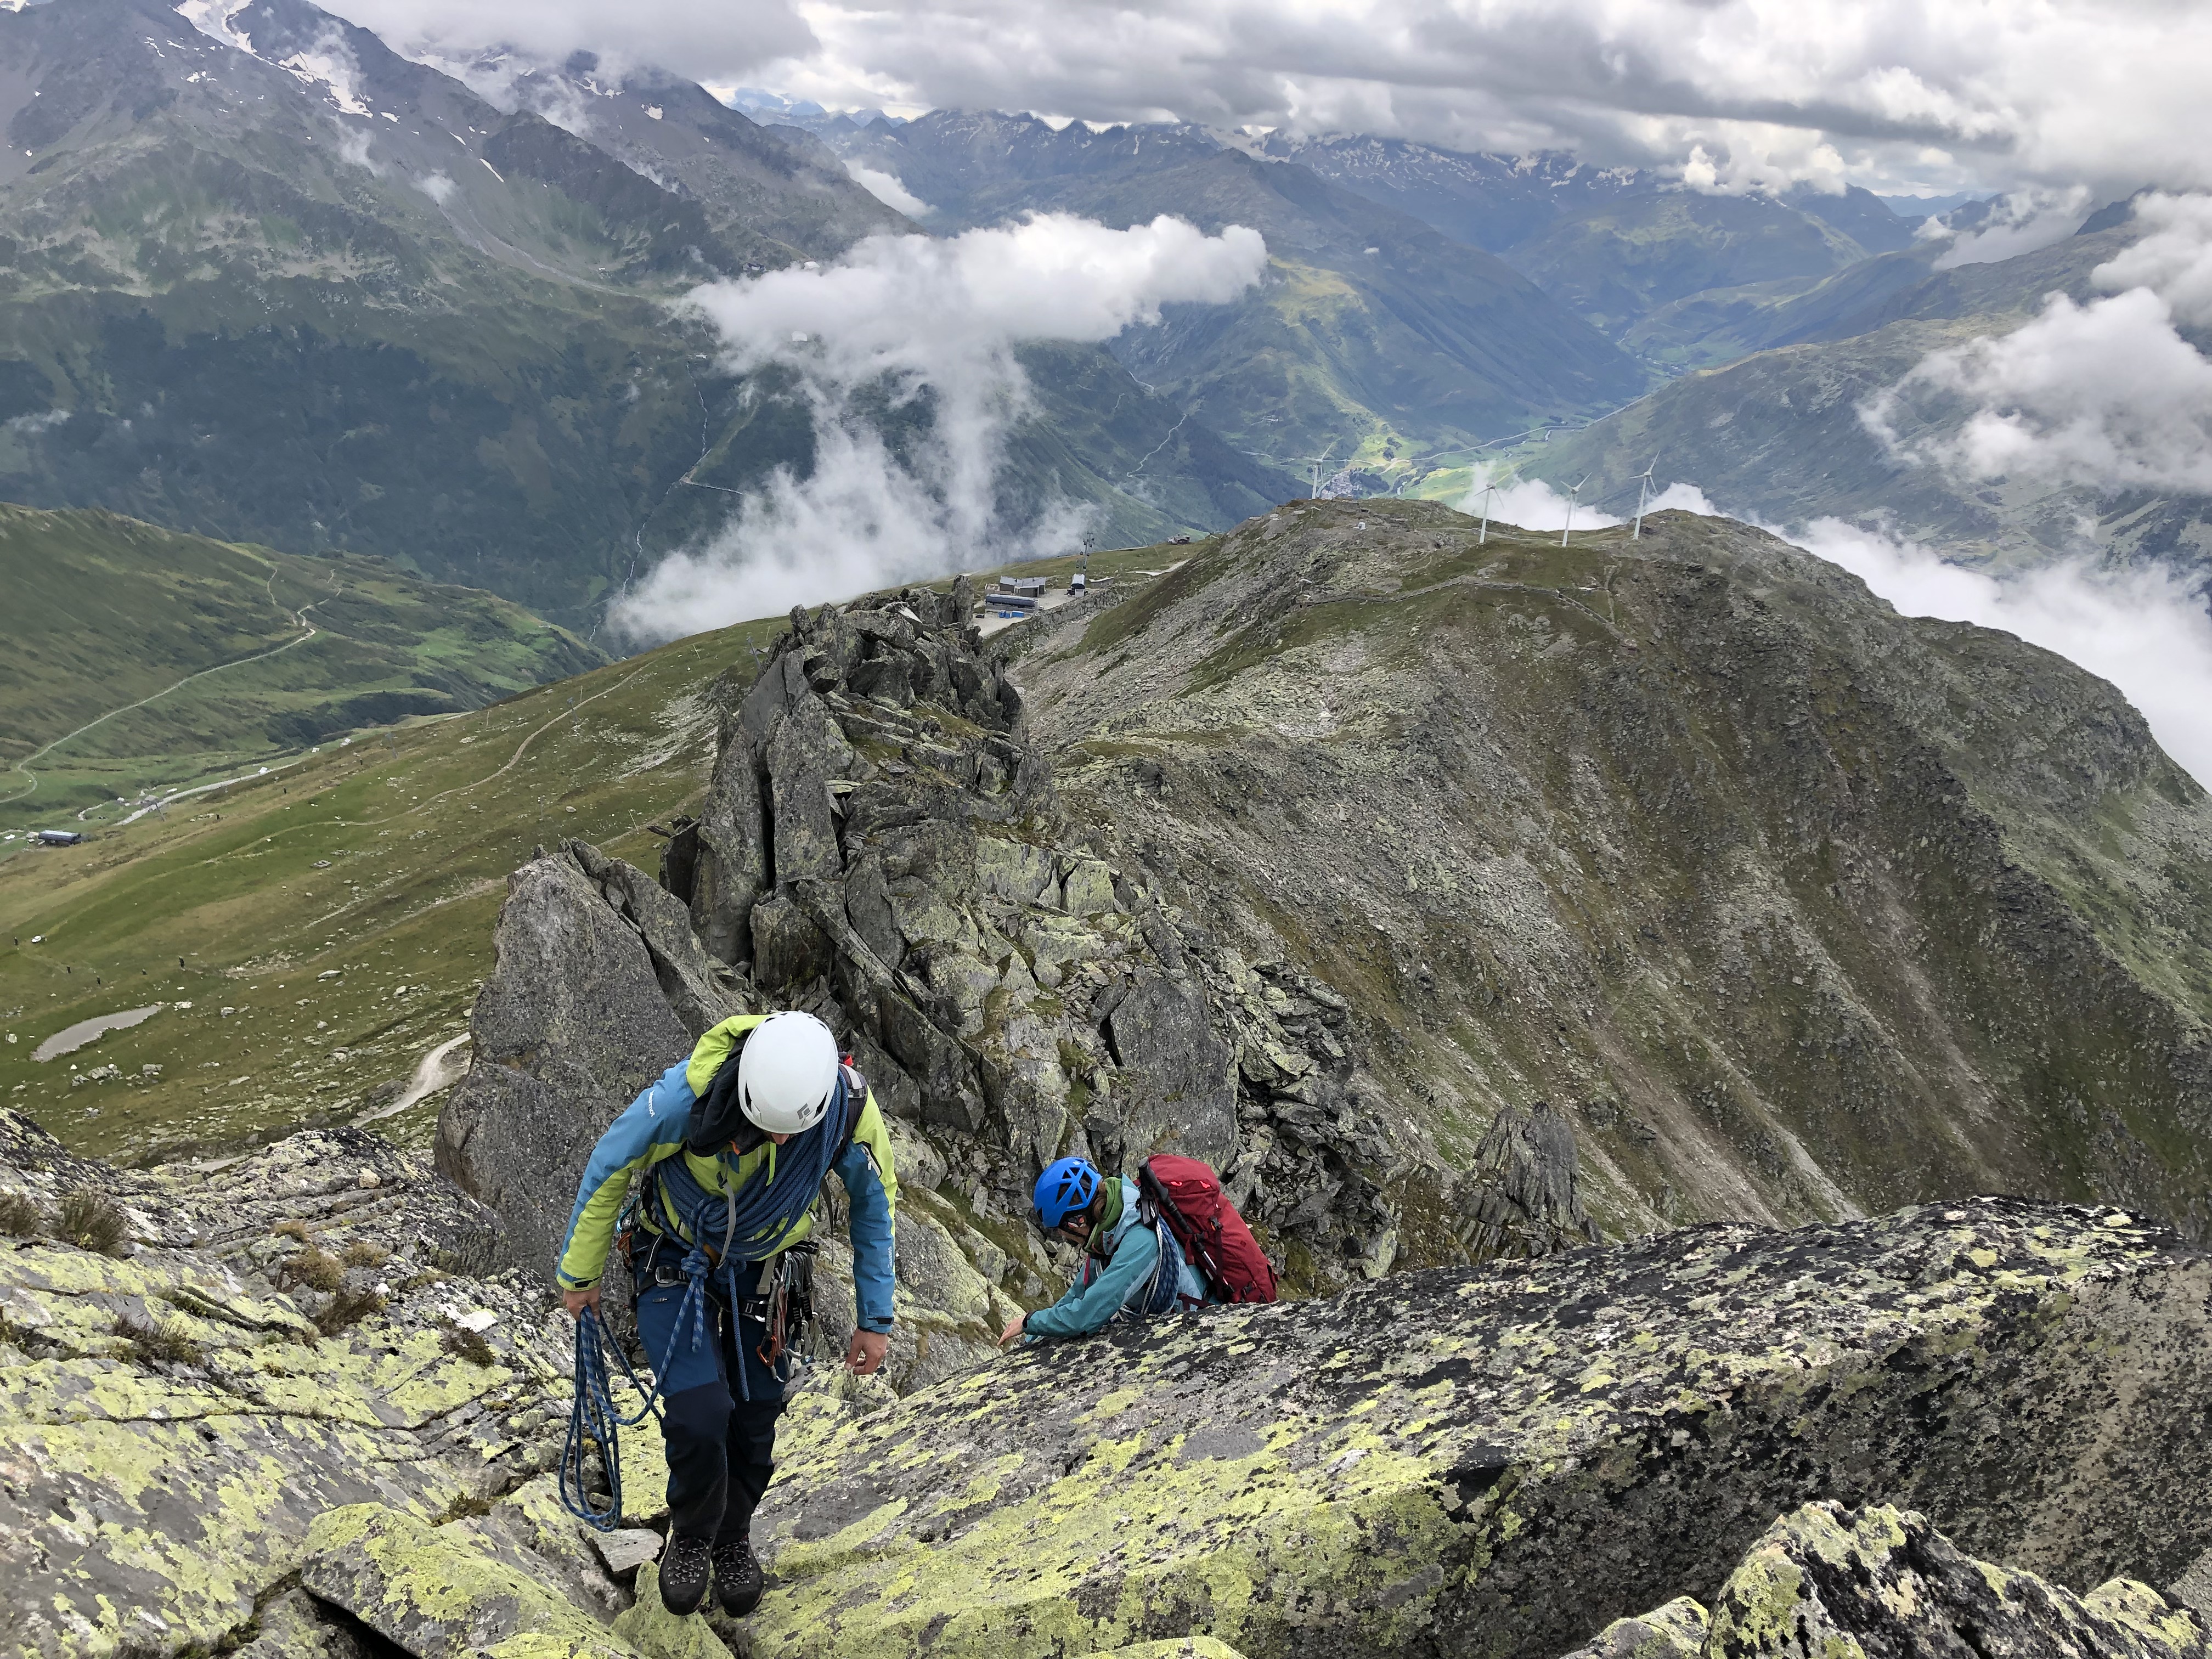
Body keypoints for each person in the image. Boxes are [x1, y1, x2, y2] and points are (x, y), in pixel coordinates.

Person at [556, 1010, 896, 1620]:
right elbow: (611, 1164)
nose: (785, 1145)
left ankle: (733, 1536)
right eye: (770, 1130)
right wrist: (580, 1276)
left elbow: (875, 1207)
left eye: (794, 1133)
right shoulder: (687, 1095)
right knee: (698, 1408)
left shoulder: (847, 1111)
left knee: (757, 1412)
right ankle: (691, 1535)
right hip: (675, 1254)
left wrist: (876, 1317)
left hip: (768, 1264)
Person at [997, 1156, 1210, 1345]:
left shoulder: (1140, 1240)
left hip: (1200, 1324)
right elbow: (1077, 1294)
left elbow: (1086, 1317)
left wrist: (1029, 1321)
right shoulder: (1108, 1231)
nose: (1063, 1237)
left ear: (1076, 1223)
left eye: (1061, 1230)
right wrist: (1032, 1336)